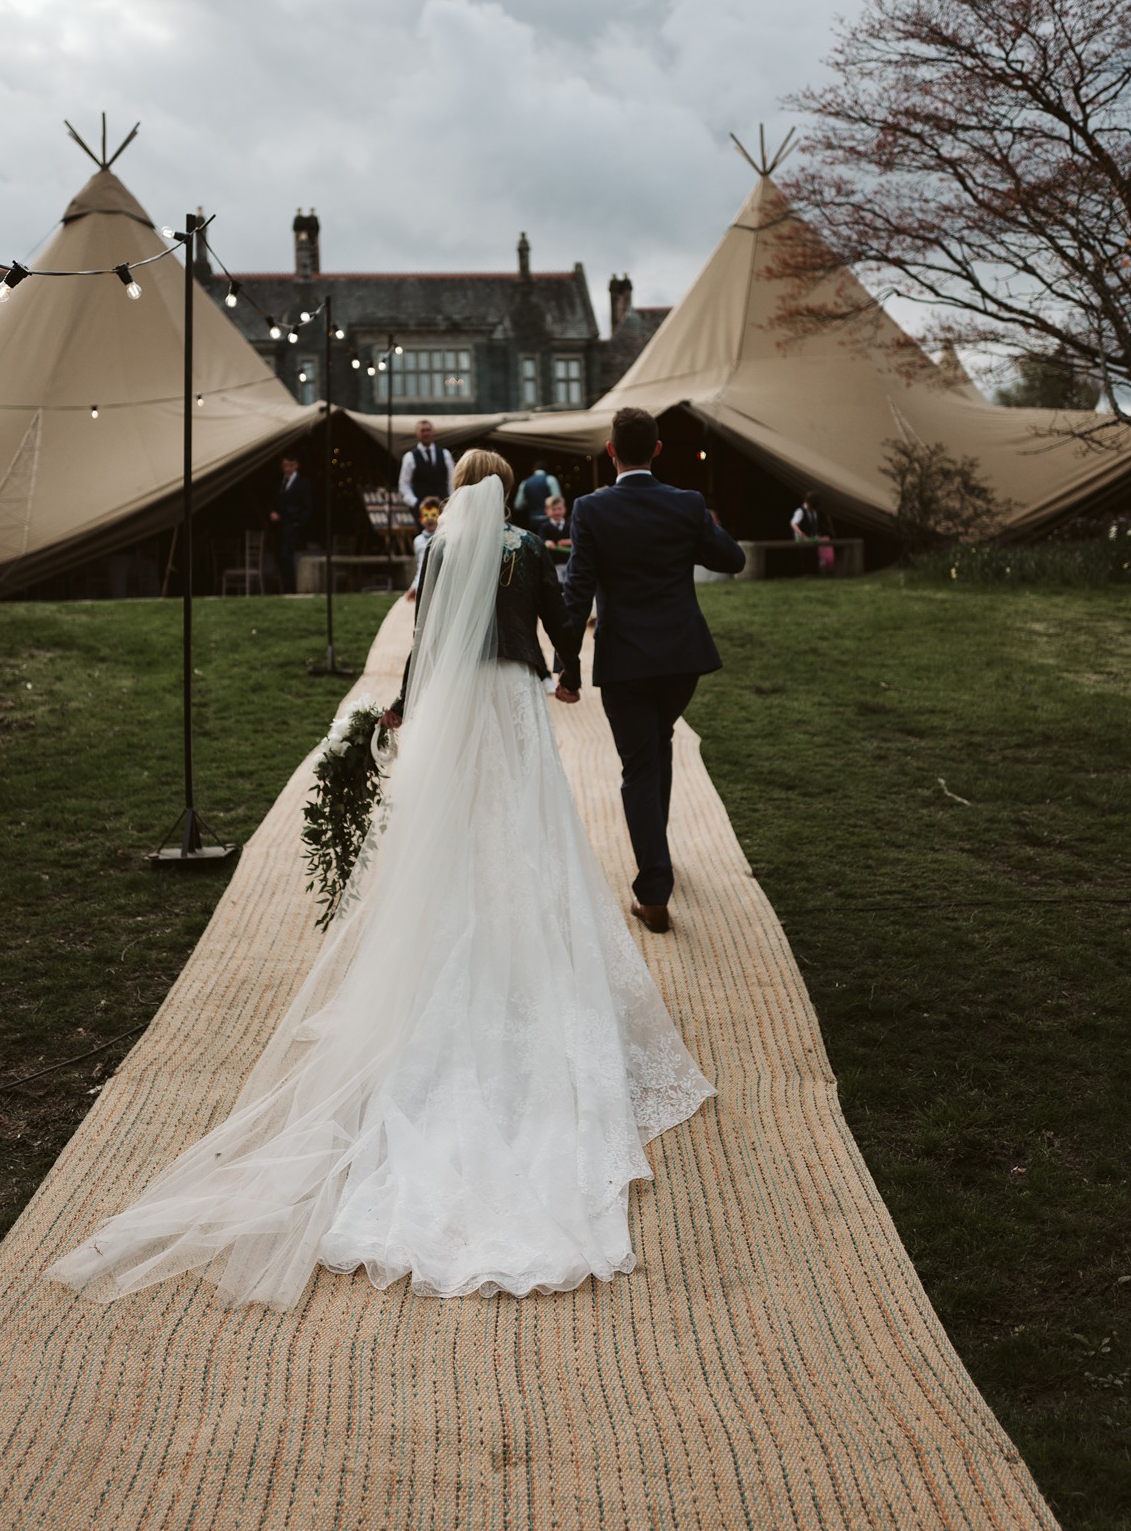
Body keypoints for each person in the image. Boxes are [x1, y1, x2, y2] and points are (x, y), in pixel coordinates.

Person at [48, 450, 712, 1312]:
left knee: (450, 832)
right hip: (508, 702)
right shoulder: (521, 547)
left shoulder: (438, 550)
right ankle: (524, 946)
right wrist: (568, 673)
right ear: (506, 490)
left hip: (453, 703)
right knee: (525, 829)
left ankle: (447, 935)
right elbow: (555, 618)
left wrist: (402, 702)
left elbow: (426, 634)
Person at [563, 407, 745, 934]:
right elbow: (731, 560)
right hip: (681, 660)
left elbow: (577, 593)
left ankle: (654, 892)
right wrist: (700, 519)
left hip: (624, 661)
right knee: (656, 747)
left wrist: (567, 668)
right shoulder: (686, 504)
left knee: (640, 767)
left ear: (610, 450)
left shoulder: (590, 509)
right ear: (658, 450)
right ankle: (658, 859)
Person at [269, 455, 312, 593]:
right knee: (280, 555)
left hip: (292, 524)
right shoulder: (279, 483)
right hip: (279, 525)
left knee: (287, 555)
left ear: (296, 465)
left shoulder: (302, 483)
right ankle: (284, 585)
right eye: (284, 466)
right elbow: (271, 501)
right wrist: (272, 512)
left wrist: (298, 523)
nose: (287, 469)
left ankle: (291, 586)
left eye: (289, 465)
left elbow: (307, 506)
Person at [397, 420, 454, 513]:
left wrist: (450, 501)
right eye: (422, 430)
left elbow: (452, 480)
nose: (426, 433)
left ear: (433, 431)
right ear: (416, 433)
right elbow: (404, 485)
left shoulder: (445, 454)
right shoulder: (410, 457)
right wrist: (416, 503)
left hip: (444, 508)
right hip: (421, 511)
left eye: (428, 430)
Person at [407, 497, 441, 596]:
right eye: (426, 515)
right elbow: (420, 566)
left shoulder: (445, 538)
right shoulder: (418, 541)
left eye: (434, 515)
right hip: (423, 586)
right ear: (420, 519)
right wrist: (415, 585)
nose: (430, 518)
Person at [514, 459, 560, 526]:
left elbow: (518, 506)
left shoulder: (525, 483)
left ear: (534, 469)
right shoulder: (551, 479)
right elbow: (558, 501)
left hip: (533, 519)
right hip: (549, 520)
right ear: (547, 470)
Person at [532, 493, 572, 559]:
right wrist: (547, 542)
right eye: (553, 509)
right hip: (553, 561)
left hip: (568, 560)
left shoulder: (570, 526)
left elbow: (576, 540)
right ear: (546, 511)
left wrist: (568, 541)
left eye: (559, 509)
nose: (557, 512)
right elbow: (541, 540)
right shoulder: (544, 527)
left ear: (565, 509)